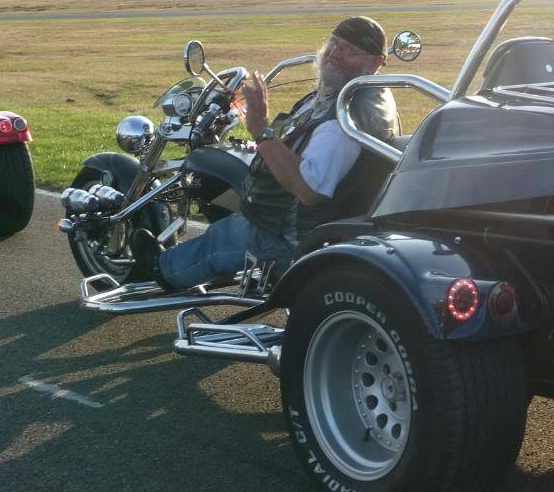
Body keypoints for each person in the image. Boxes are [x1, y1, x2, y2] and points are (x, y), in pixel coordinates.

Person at [131, 16, 397, 291]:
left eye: (349, 50)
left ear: (375, 62)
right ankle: (222, 271)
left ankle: (164, 269)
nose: (334, 55)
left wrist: (261, 130)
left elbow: (309, 190)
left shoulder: (344, 117)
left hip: (292, 234)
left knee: (224, 236)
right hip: (331, 219)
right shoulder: (359, 94)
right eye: (334, 44)